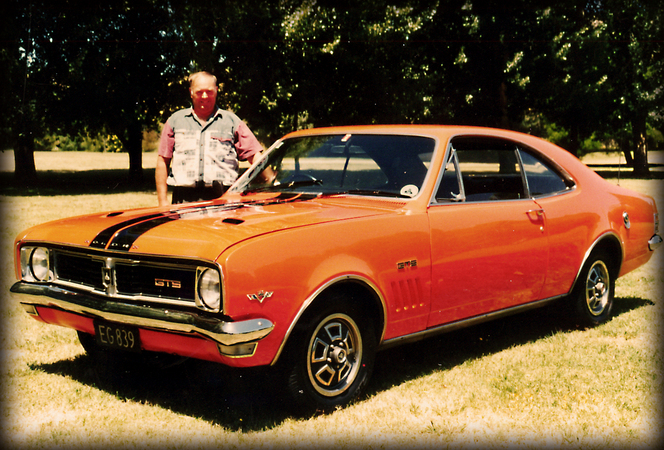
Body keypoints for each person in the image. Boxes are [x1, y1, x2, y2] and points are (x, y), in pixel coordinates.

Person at [156, 71, 265, 205]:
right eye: (199, 92)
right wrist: (162, 201)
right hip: (184, 200)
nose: (205, 96)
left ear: (216, 91)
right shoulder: (175, 121)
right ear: (191, 92)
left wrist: (273, 181)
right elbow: (163, 162)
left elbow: (255, 156)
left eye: (209, 91)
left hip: (224, 199)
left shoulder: (232, 122)